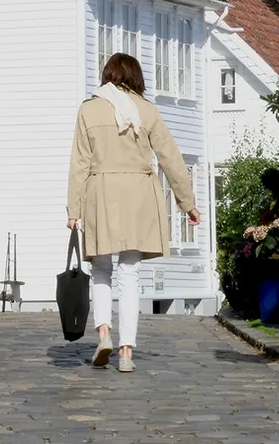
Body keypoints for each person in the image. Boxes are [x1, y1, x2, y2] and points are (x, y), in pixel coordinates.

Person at [68, 53, 200, 373]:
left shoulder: (89, 109)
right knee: (129, 272)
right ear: (136, 77)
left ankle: (103, 333)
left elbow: (79, 163)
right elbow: (171, 159)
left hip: (100, 192)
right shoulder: (147, 110)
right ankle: (126, 351)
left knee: (100, 268)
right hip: (138, 194)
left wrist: (74, 209)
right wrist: (188, 203)